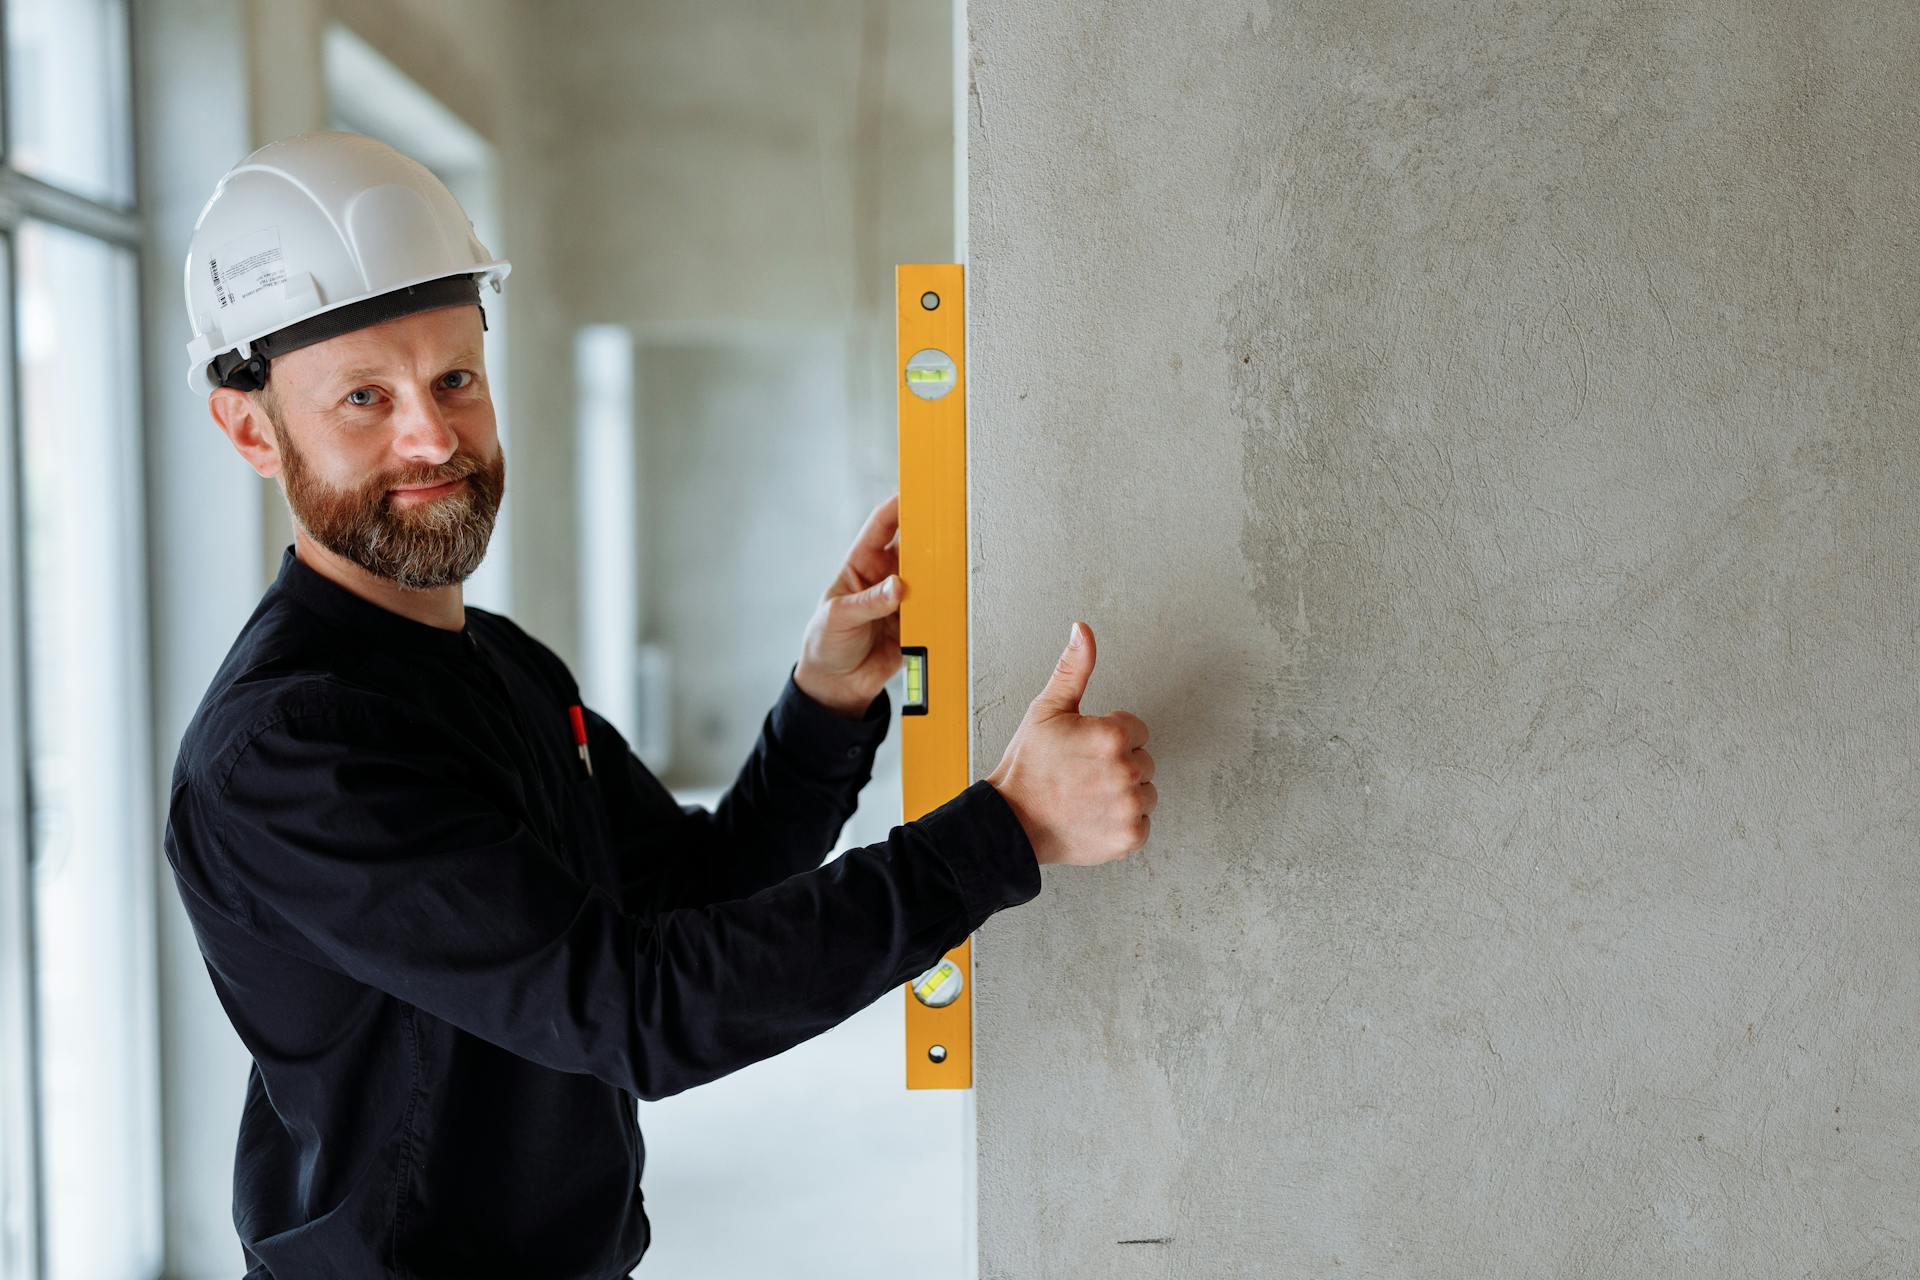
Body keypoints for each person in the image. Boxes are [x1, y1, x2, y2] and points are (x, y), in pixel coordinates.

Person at [164, 132, 1157, 1278]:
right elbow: (635, 1009)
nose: (433, 434)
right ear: (250, 427)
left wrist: (824, 705)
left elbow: (694, 891)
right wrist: (1004, 831)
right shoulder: (288, 754)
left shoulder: (502, 664)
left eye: (454, 378)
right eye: (363, 398)